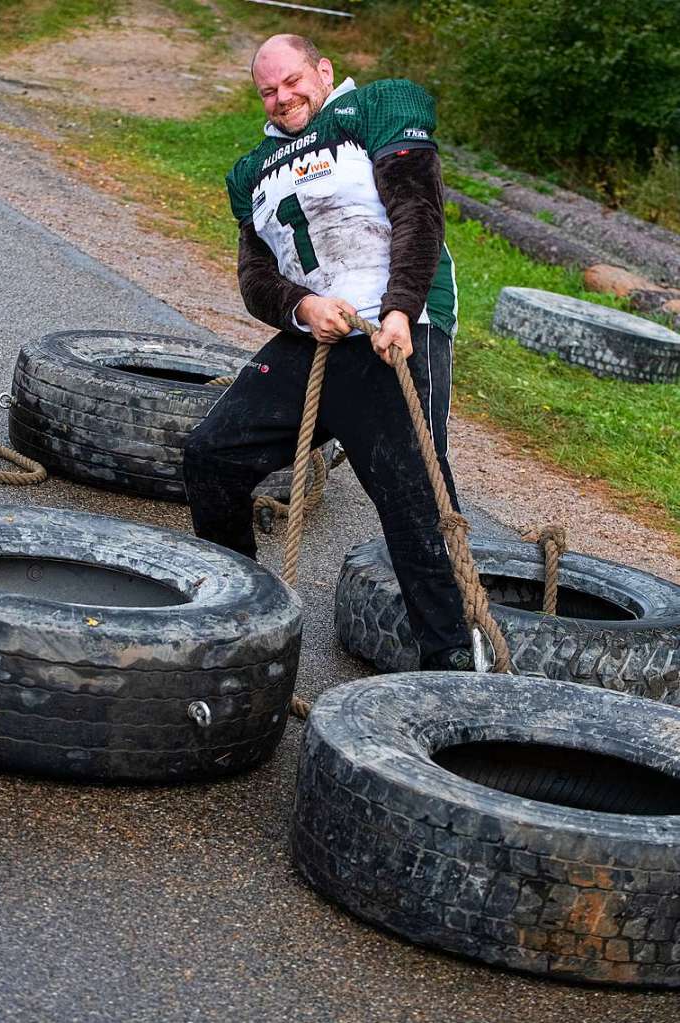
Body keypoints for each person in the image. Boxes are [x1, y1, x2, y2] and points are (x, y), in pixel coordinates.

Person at [183, 33, 473, 670]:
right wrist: (303, 307)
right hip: (314, 340)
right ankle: (240, 615)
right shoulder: (250, 172)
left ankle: (452, 659)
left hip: (396, 330)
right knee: (209, 457)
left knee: (416, 500)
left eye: (293, 81)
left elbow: (418, 211)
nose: (283, 97)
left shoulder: (374, 110)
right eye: (269, 90)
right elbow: (256, 281)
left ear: (324, 70)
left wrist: (398, 310)